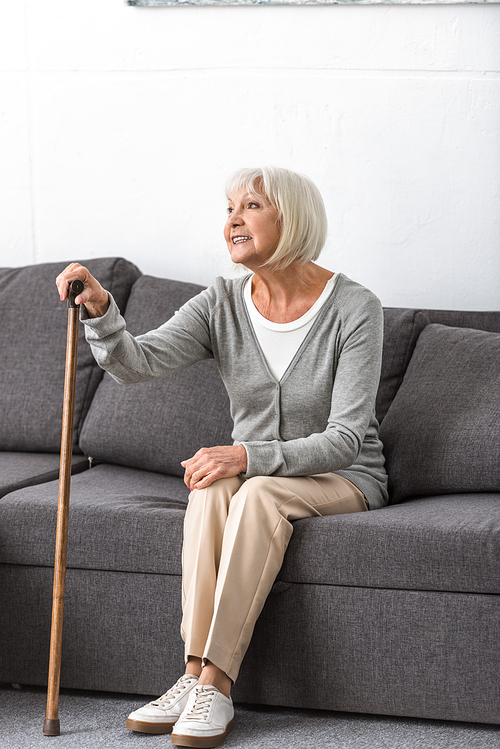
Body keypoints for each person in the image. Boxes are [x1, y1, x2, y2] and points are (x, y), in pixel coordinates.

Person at [56, 166, 388, 748]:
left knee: (254, 488)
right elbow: (138, 362)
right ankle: (190, 675)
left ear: (293, 218)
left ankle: (217, 681)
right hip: (264, 470)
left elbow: (346, 440)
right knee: (209, 486)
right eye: (229, 207)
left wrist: (244, 455)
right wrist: (102, 310)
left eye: (251, 206)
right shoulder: (222, 303)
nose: (233, 218)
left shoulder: (355, 308)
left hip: (343, 475)